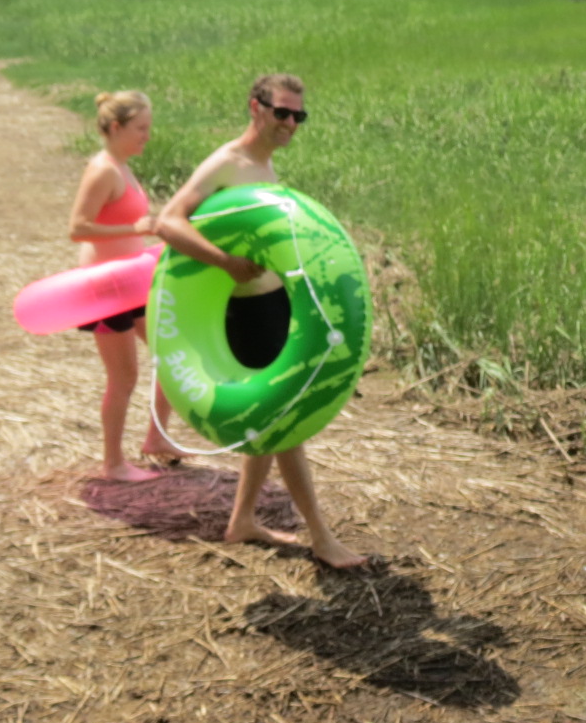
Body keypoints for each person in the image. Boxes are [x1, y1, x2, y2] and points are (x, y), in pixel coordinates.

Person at [154, 73, 368, 569]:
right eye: (282, 113)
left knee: (267, 415)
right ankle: (321, 537)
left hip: (277, 303)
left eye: (299, 116)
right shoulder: (228, 163)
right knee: (285, 420)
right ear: (256, 108)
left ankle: (243, 520)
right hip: (243, 311)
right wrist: (224, 263)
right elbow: (167, 221)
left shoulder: (263, 165)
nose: (291, 123)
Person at [68, 90, 176, 481]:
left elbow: (126, 230)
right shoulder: (102, 169)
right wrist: (133, 229)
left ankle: (157, 439)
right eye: (140, 128)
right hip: (105, 290)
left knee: (171, 353)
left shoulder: (123, 165)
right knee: (124, 377)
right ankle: (113, 463)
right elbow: (77, 229)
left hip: (133, 284)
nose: (147, 135)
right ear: (116, 127)